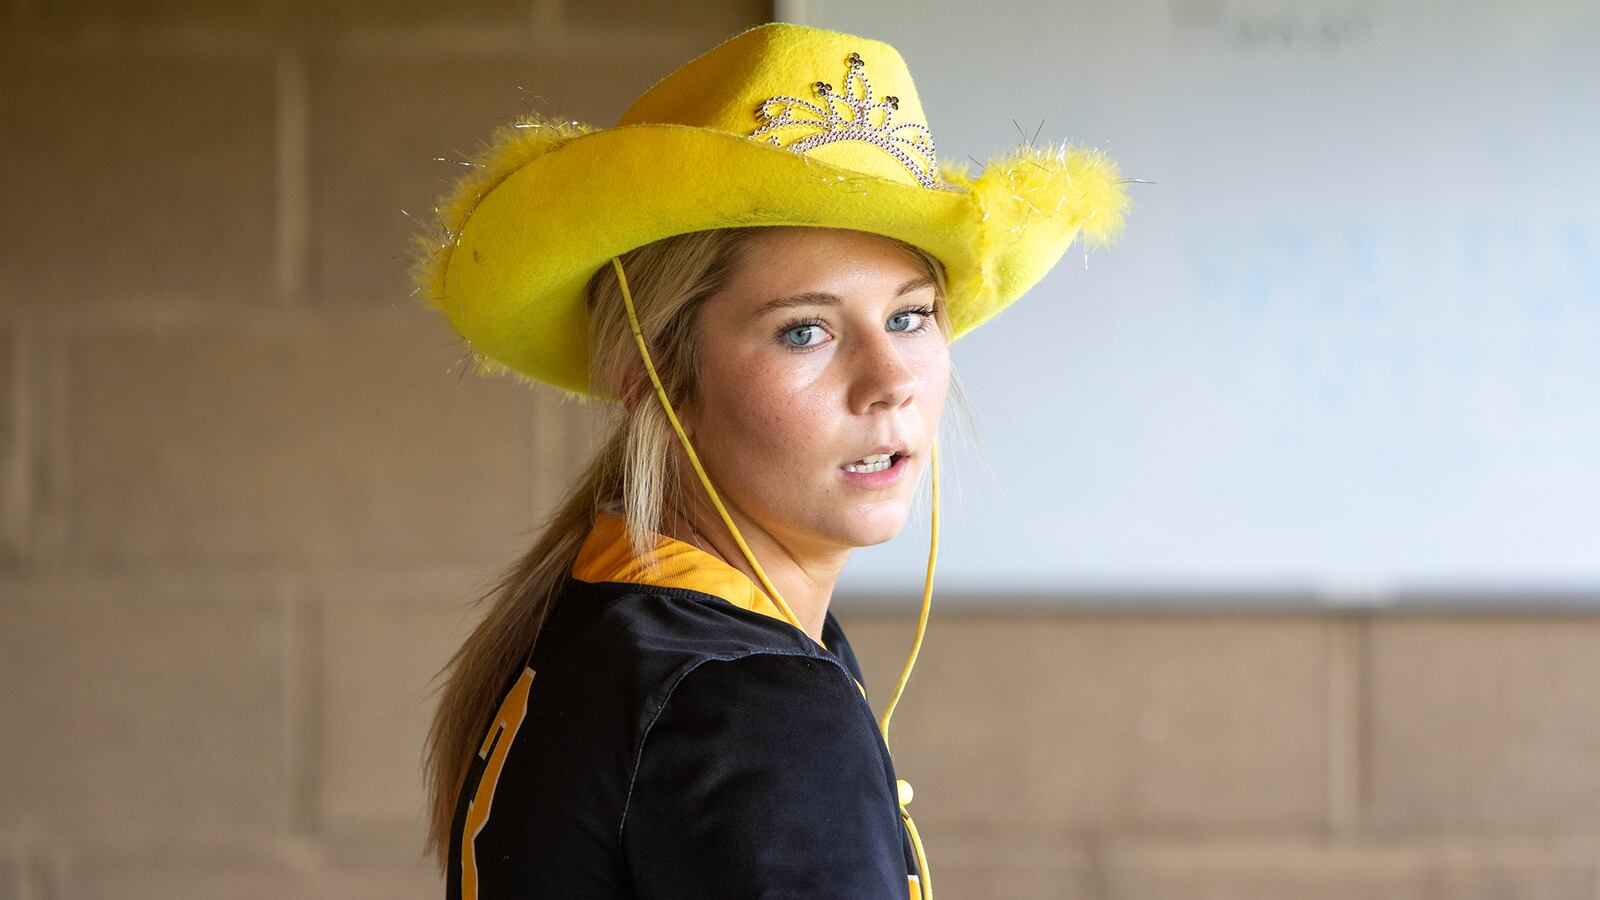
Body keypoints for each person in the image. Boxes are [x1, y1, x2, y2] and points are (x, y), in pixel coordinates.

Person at [411, 21, 1130, 900]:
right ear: (658, 379)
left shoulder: (608, 618)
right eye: (807, 330)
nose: (889, 382)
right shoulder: (750, 708)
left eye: (910, 316)